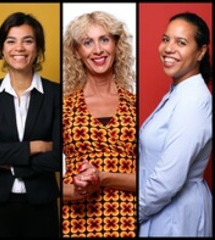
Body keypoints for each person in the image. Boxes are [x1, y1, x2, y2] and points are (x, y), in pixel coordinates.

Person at [60, 11, 138, 238]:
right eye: (87, 42)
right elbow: (42, 183)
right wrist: (75, 191)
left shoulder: (136, 106)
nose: (98, 50)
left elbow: (151, 181)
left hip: (128, 220)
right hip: (75, 222)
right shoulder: (63, 107)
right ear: (77, 51)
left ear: (116, 44)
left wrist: (103, 177)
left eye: (104, 39)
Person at [0, 12, 62, 238]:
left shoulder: (55, 94)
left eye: (27, 40)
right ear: (1, 48)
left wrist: (9, 161)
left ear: (37, 48)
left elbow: (58, 156)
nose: (19, 48)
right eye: (11, 41)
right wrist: (36, 147)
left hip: (42, 204)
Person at [139, 12, 212, 237]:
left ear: (201, 52)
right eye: (165, 39)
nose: (168, 48)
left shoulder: (194, 100)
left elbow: (168, 180)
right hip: (161, 209)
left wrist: (131, 212)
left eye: (181, 42)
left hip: (176, 216)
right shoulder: (179, 91)